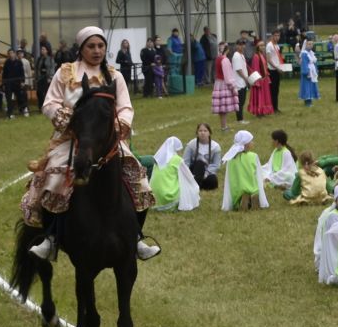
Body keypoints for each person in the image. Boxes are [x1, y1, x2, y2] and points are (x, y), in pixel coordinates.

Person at [18, 26, 160, 263]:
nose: (97, 51)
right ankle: (51, 238)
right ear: (81, 49)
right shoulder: (66, 73)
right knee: (55, 177)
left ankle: (136, 237)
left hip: (107, 140)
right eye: (91, 46)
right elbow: (49, 103)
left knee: (139, 178)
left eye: (100, 46)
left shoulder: (115, 76)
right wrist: (67, 120)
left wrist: (118, 126)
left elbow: (125, 107)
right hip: (72, 139)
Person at [148, 135, 200, 212]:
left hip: (154, 198)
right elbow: (189, 176)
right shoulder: (177, 160)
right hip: (168, 196)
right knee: (188, 185)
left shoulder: (157, 159)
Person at [221, 130, 267, 210]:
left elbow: (229, 180)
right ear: (246, 144)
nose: (253, 143)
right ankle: (252, 198)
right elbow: (258, 175)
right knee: (255, 191)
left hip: (237, 189)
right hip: (252, 187)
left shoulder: (231, 158)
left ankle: (240, 201)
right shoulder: (253, 156)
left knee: (237, 194)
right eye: (251, 141)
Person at [184, 123, 223, 190]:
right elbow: (186, 161)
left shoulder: (216, 147)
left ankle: (196, 185)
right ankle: (194, 186)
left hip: (207, 172)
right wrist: (187, 174)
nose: (202, 133)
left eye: (205, 131)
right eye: (200, 131)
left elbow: (216, 165)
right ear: (197, 133)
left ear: (209, 133)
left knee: (213, 181)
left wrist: (206, 173)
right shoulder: (191, 144)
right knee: (200, 163)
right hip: (194, 171)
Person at [263, 130, 299, 200]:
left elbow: (287, 169)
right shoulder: (275, 151)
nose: (272, 142)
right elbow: (269, 165)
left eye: (273, 140)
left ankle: (280, 184)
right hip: (275, 173)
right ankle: (277, 184)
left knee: (288, 176)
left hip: (283, 174)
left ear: (277, 141)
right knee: (260, 172)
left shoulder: (286, 152)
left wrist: (271, 177)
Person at [297, 37, 320, 107]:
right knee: (307, 86)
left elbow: (314, 62)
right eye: (309, 44)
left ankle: (310, 100)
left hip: (312, 71)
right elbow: (304, 63)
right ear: (306, 45)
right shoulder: (304, 54)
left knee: (311, 86)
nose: (311, 45)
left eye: (312, 44)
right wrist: (307, 72)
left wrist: (315, 70)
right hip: (307, 73)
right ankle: (307, 101)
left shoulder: (311, 53)